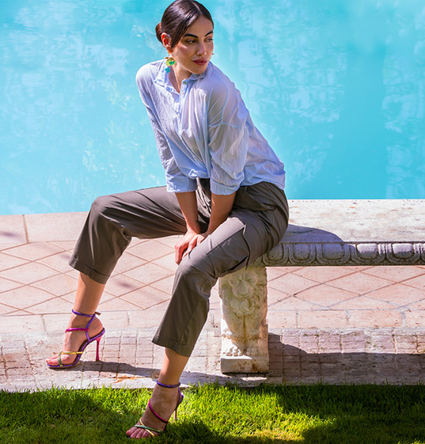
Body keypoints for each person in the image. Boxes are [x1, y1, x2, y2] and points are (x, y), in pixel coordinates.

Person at [45, 0, 289, 439]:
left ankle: (166, 391)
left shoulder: (218, 91)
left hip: (257, 204)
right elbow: (172, 159)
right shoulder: (150, 79)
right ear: (167, 42)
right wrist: (193, 226)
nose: (203, 51)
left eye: (209, 39)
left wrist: (205, 236)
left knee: (194, 266)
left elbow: (229, 177)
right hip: (206, 193)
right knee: (106, 211)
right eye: (191, 41)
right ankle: (83, 324)